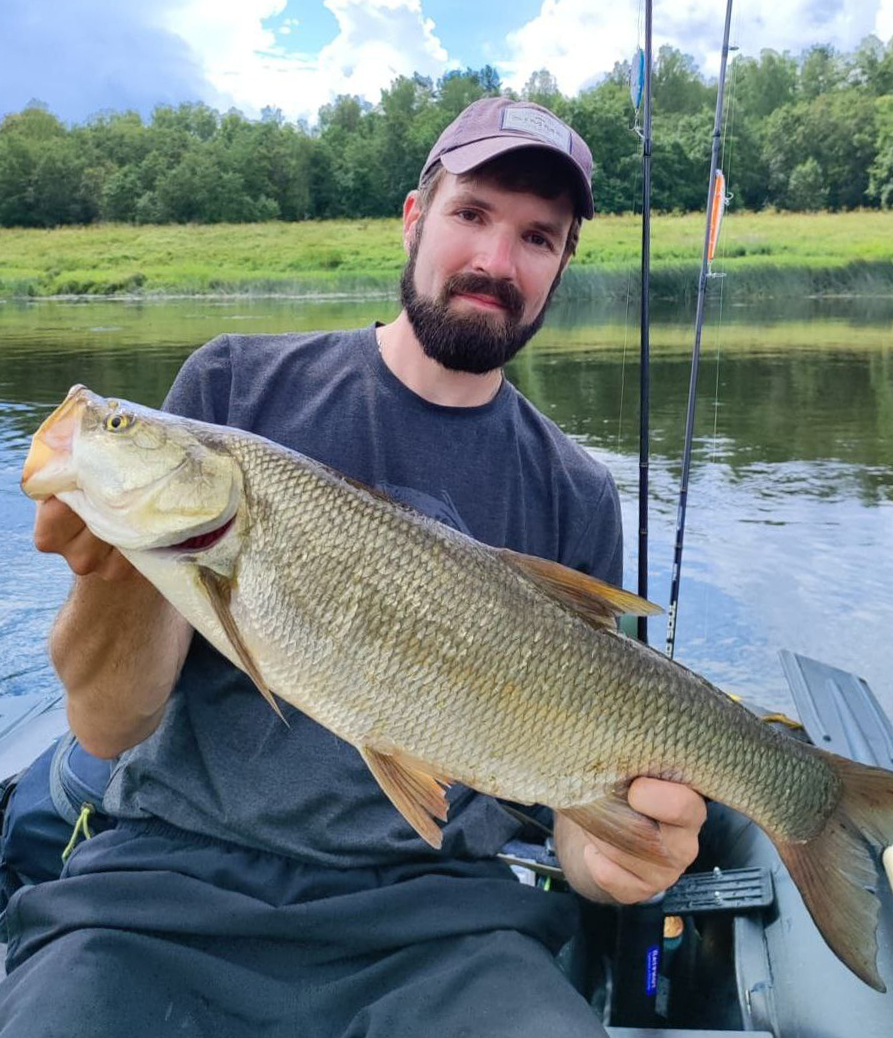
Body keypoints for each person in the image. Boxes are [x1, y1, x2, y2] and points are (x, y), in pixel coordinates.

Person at [1, 98, 706, 1037]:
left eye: (538, 237)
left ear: (561, 268)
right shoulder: (233, 391)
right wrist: (114, 568)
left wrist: (614, 858)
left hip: (444, 920)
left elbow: (576, 802)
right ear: (415, 218)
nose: (497, 261)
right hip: (167, 889)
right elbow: (105, 724)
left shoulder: (576, 493)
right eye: (471, 214)